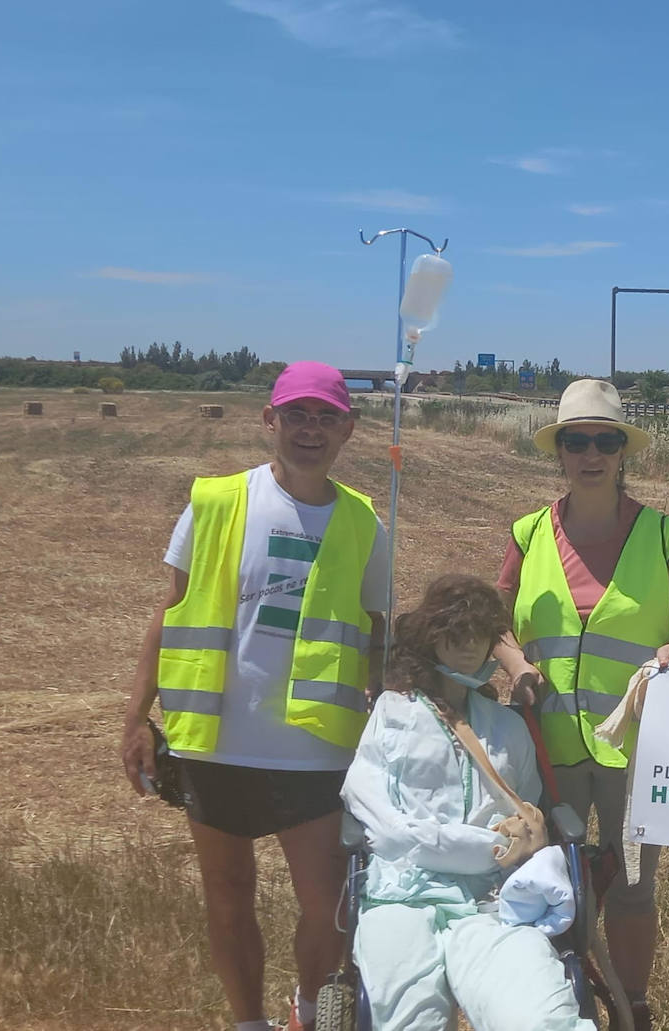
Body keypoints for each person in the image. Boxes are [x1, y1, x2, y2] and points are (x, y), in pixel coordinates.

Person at [120, 361, 389, 1031]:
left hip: (316, 750)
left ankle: (306, 1013)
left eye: (327, 416)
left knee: (327, 906)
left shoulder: (364, 525)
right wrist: (134, 717)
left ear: (348, 429)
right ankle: (248, 1023)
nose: (310, 429)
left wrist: (388, 729)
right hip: (213, 740)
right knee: (228, 893)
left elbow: (378, 637)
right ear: (270, 419)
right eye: (296, 414)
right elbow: (172, 609)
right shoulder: (214, 502)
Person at [493, 378, 669, 1031]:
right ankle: (556, 1004)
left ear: (622, 451)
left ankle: (631, 1004)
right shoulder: (527, 534)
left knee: (635, 887)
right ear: (559, 451)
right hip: (546, 746)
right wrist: (518, 664)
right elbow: (493, 624)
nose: (591, 453)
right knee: (545, 879)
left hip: (636, 750)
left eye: (604, 440)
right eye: (576, 440)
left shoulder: (666, 535)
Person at [342, 574, 595, 1031]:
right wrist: (479, 849)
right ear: (431, 638)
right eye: (455, 635)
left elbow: (529, 816)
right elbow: (376, 814)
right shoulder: (393, 713)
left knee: (539, 1018)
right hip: (403, 895)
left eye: (479, 636)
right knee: (410, 1019)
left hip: (493, 900)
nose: (468, 648)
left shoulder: (508, 728)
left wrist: (480, 855)